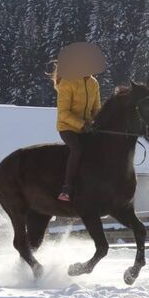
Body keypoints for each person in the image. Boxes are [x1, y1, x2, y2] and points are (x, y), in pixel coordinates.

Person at [54, 67, 101, 202]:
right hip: (67, 127)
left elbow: (96, 109)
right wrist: (82, 124)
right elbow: (63, 113)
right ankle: (66, 189)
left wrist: (99, 121)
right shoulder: (68, 81)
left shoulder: (94, 83)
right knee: (77, 149)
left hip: (86, 128)